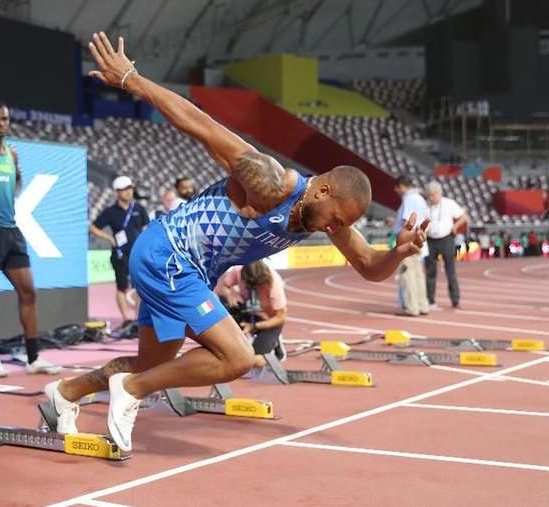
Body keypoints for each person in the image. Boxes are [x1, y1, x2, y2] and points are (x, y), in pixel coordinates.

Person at [44, 32, 430, 452]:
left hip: (188, 269)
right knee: (238, 357)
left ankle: (65, 393)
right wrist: (131, 79)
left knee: (151, 364)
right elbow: (200, 124)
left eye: (343, 225)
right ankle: (131, 390)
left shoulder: (323, 217)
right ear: (322, 191)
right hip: (168, 254)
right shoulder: (271, 182)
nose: (334, 228)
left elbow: (369, 265)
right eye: (337, 219)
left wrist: (397, 252)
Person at [0, 101, 62, 378]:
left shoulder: (11, 153)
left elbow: (17, 181)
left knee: (28, 291)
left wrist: (6, 193)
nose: (1, 123)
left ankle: (33, 358)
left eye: (5, 119)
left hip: (11, 231)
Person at [89, 175, 150, 331]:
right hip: (119, 254)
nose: (128, 192)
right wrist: (109, 238)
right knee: (122, 287)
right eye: (124, 189)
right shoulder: (110, 212)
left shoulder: (139, 209)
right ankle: (126, 319)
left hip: (138, 254)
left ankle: (139, 319)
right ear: (117, 192)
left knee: (141, 287)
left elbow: (146, 228)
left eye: (130, 188)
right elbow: (92, 227)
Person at [214, 261, 288, 367]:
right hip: (245, 310)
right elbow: (224, 286)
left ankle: (274, 344)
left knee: (256, 361)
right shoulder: (238, 270)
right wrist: (230, 296)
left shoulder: (274, 284)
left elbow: (281, 318)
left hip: (267, 320)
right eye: (249, 285)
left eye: (258, 286)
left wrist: (254, 326)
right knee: (219, 302)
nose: (254, 289)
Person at [424, 181, 466, 309]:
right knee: (430, 271)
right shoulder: (425, 205)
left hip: (446, 239)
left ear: (439, 193)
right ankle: (430, 300)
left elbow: (463, 217)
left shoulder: (449, 203)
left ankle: (455, 300)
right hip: (430, 240)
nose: (431, 198)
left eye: (433, 195)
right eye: (429, 195)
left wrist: (455, 226)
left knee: (450, 271)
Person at [393, 176, 430, 316]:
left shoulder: (409, 198)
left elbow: (407, 221)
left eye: (396, 188)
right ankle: (422, 305)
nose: (395, 190)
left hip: (408, 240)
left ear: (402, 186)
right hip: (419, 238)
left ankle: (411, 307)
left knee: (408, 274)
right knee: (418, 274)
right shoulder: (420, 198)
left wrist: (402, 240)